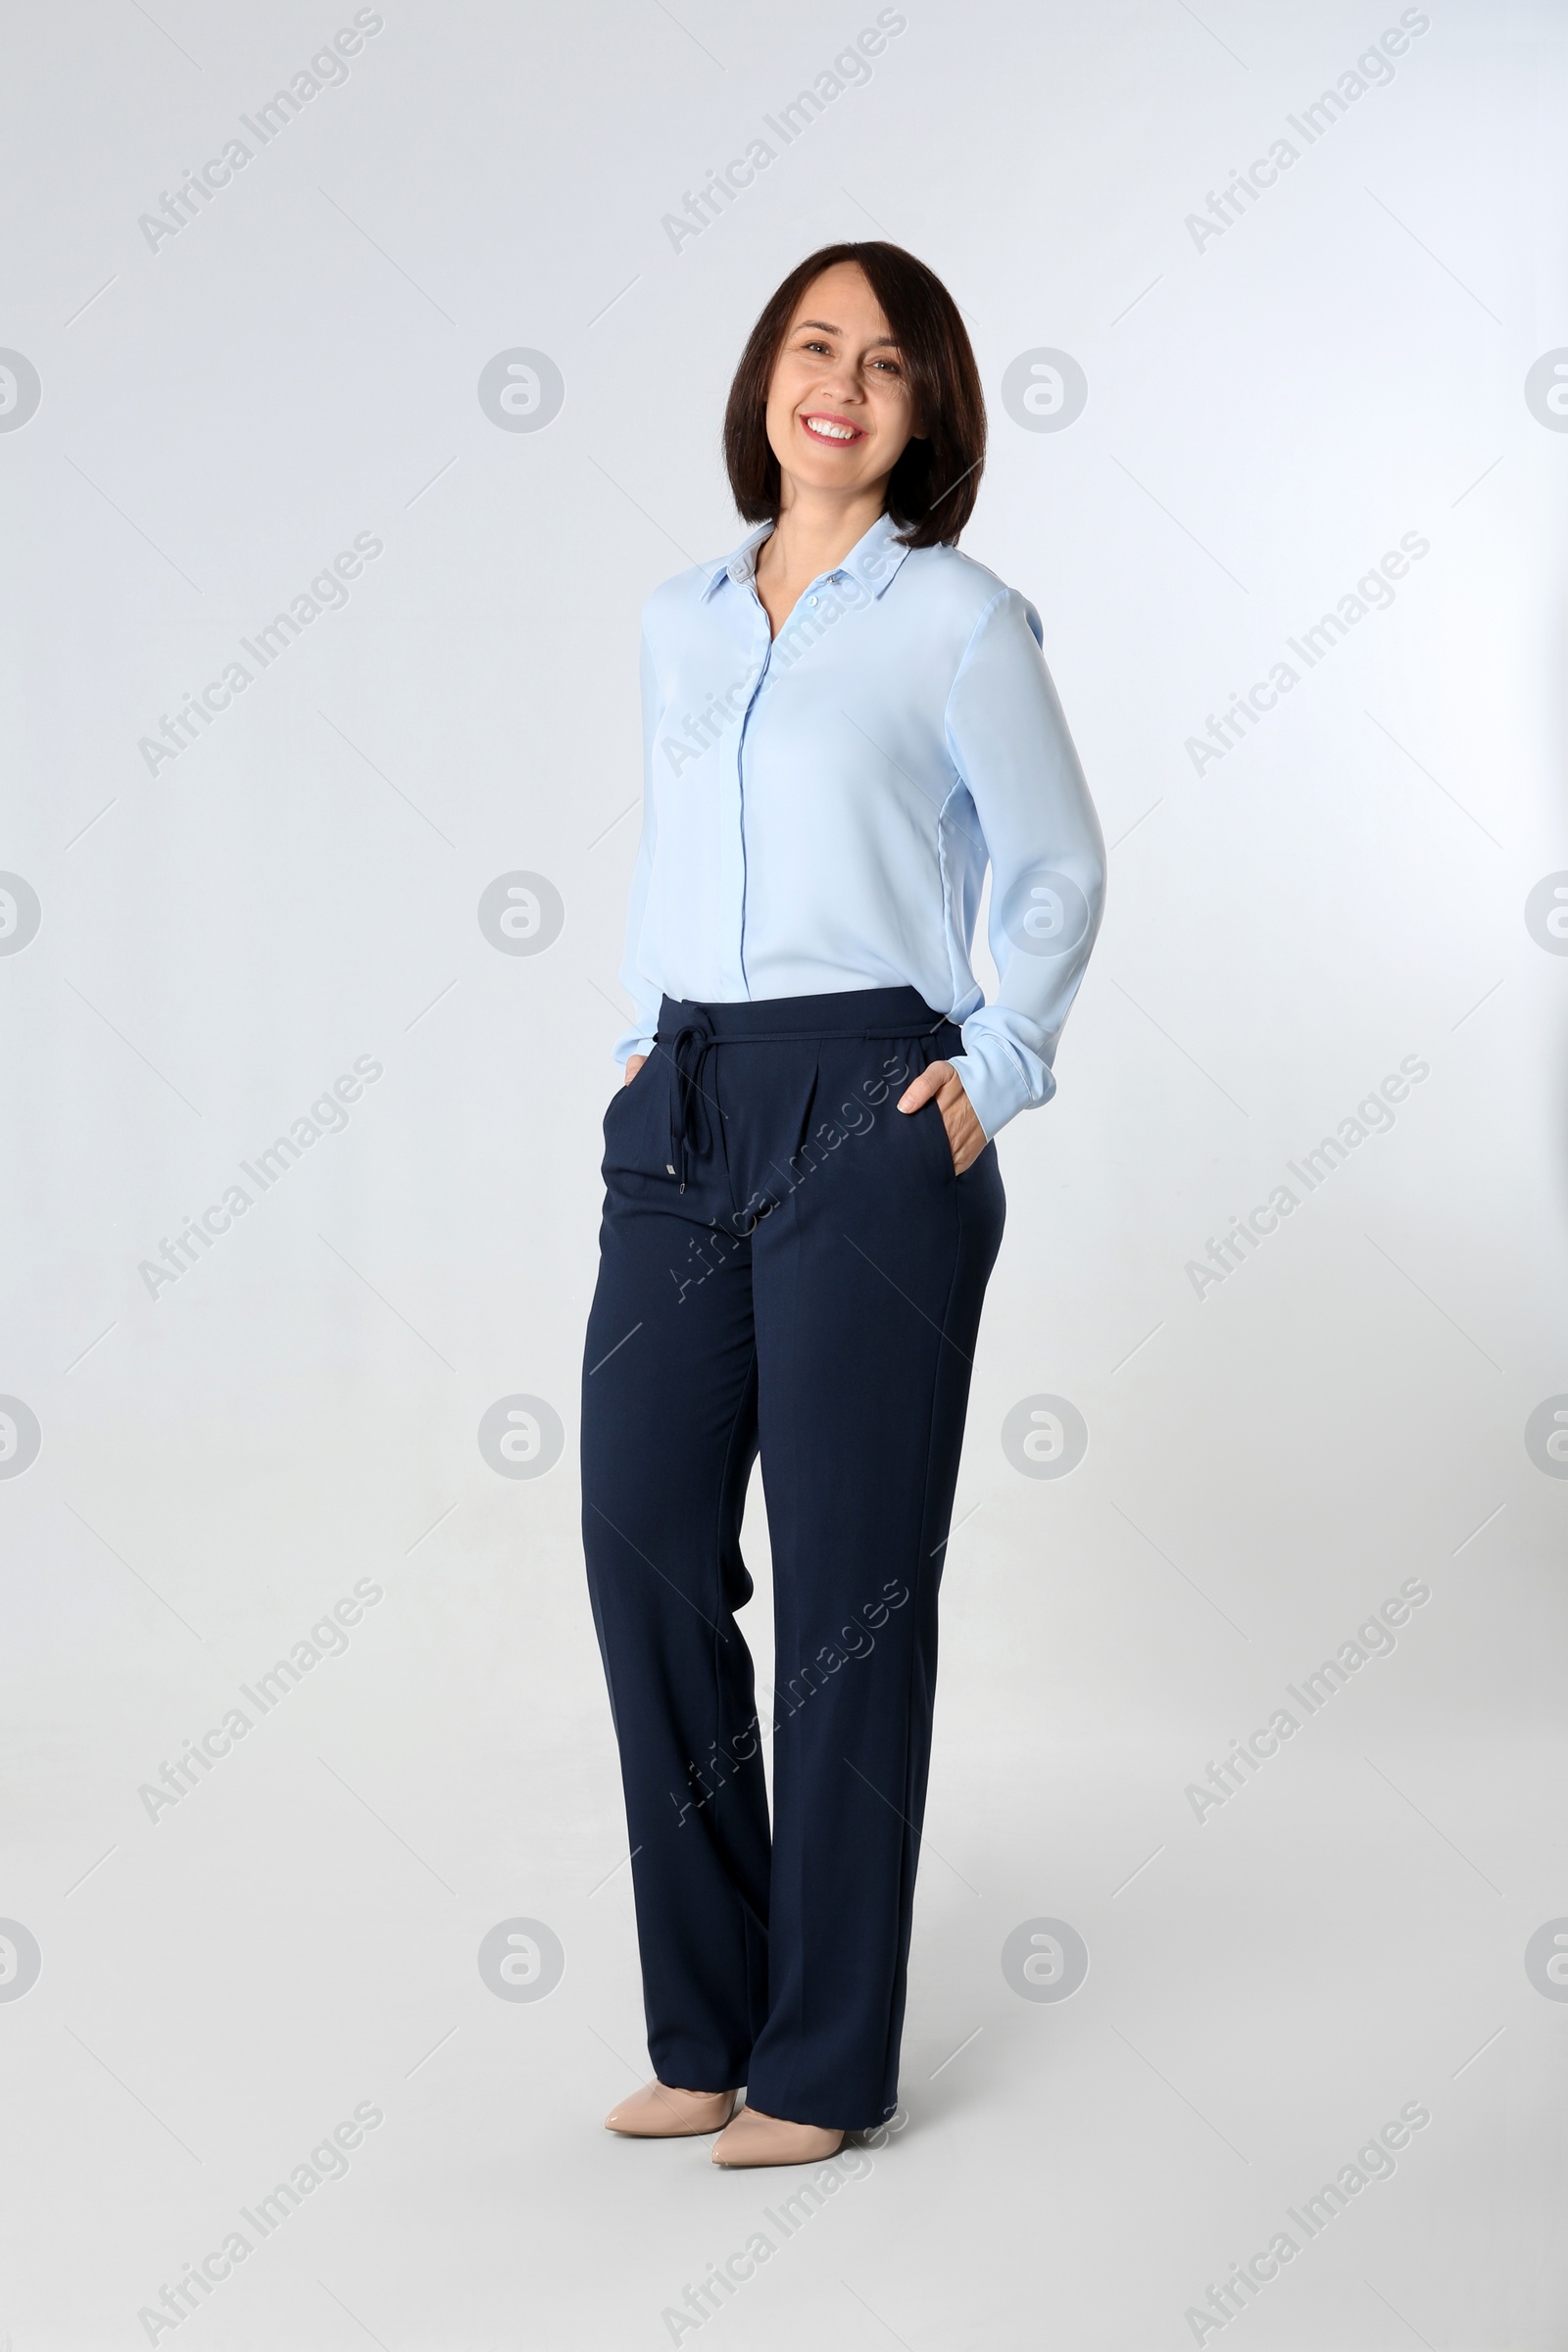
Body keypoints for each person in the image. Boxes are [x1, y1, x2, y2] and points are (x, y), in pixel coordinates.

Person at [581, 241, 1104, 2169]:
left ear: (924, 410)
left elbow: (1052, 858)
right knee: (640, 1540)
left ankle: (820, 2060)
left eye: (885, 364)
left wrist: (991, 1073)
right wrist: (641, 1047)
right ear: (765, 377)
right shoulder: (679, 616)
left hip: (868, 1103)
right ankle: (703, 2027)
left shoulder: (957, 620)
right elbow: (675, 849)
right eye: (814, 347)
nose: (842, 384)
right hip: (685, 1100)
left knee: (842, 1598)